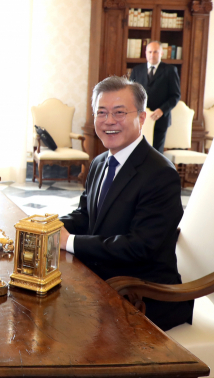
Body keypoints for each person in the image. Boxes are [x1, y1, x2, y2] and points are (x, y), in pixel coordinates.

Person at [59, 76, 192, 331]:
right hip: (103, 277)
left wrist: (70, 242)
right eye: (102, 112)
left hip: (143, 294)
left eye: (119, 113)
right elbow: (86, 215)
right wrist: (48, 226)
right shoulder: (99, 163)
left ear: (141, 118)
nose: (109, 121)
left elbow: (139, 247)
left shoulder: (161, 174)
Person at [129, 41, 181, 153]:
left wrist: (162, 110)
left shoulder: (170, 70)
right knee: (138, 152)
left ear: (161, 53)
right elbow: (130, 94)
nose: (152, 55)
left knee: (156, 153)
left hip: (160, 119)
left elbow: (175, 96)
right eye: (150, 52)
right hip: (140, 119)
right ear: (146, 53)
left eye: (156, 52)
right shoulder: (137, 70)